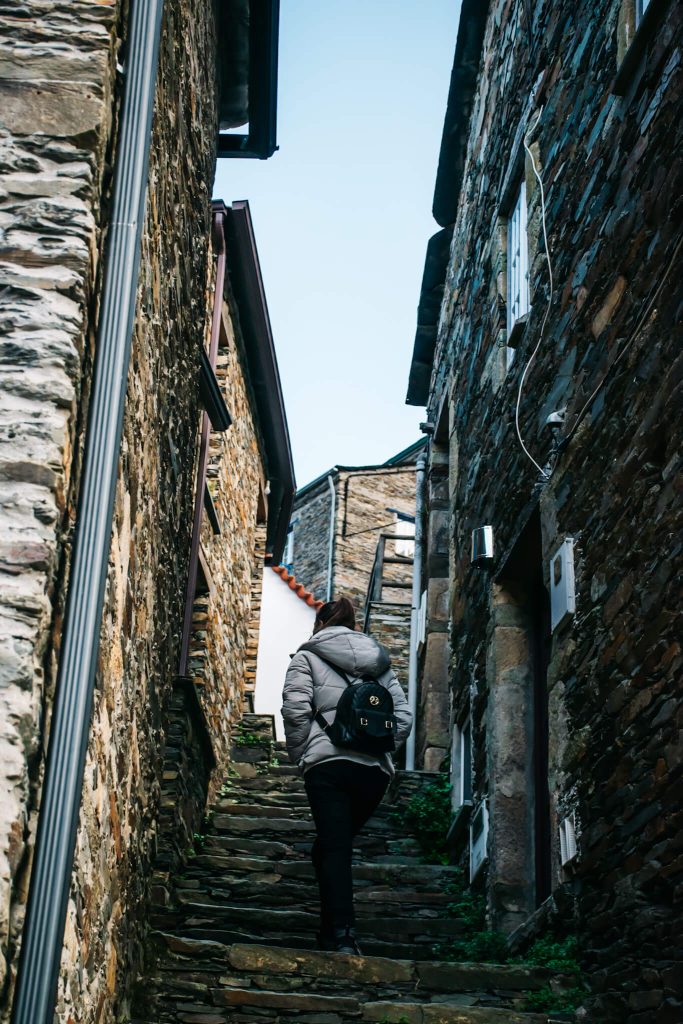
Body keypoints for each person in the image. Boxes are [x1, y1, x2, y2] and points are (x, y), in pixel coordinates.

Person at [281, 596, 412, 955]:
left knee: (334, 848)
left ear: (320, 624)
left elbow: (295, 711)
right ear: (355, 625)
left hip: (328, 767)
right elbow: (403, 716)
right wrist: (380, 748)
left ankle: (342, 936)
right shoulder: (380, 664)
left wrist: (303, 754)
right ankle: (330, 933)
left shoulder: (306, 657)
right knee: (329, 846)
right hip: (373, 774)